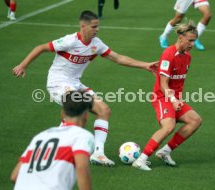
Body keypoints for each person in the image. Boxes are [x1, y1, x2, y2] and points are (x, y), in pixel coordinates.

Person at [12, 10, 157, 166]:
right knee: (78, 110)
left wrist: (145, 65)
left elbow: (118, 58)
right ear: (83, 26)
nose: (97, 29)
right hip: (58, 82)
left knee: (104, 110)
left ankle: (98, 153)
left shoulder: (96, 44)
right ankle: (53, 150)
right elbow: (41, 47)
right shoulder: (69, 41)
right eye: (94, 26)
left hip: (74, 83)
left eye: (98, 26)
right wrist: (22, 65)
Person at [133, 20, 202, 171]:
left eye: (194, 41)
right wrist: (172, 99)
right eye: (190, 40)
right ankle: (141, 160)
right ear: (181, 37)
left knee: (195, 120)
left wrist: (178, 99)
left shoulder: (187, 57)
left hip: (175, 99)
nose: (192, 44)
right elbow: (164, 84)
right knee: (168, 126)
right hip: (162, 97)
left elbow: (178, 83)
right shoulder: (168, 54)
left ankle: (165, 151)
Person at [11, 91, 94, 190]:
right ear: (86, 115)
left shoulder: (41, 136)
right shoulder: (82, 136)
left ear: (62, 114)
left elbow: (15, 176)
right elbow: (81, 168)